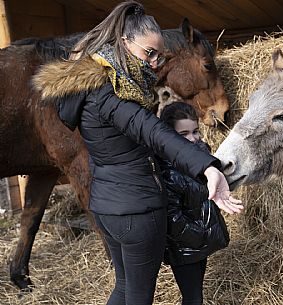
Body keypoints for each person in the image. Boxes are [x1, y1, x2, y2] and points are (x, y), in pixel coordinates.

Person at [32, 2, 243, 305]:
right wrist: (207, 167)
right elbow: (155, 133)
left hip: (108, 206)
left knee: (124, 290)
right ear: (124, 43)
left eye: (159, 54)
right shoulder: (110, 94)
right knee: (139, 297)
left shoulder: (102, 87)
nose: (156, 62)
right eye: (150, 53)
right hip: (136, 211)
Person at [159, 102, 230, 305]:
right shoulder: (166, 170)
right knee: (193, 298)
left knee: (196, 293)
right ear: (168, 137)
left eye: (196, 131)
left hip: (199, 243)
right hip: (185, 247)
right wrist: (198, 235)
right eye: (184, 134)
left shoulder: (203, 159)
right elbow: (172, 217)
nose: (193, 138)